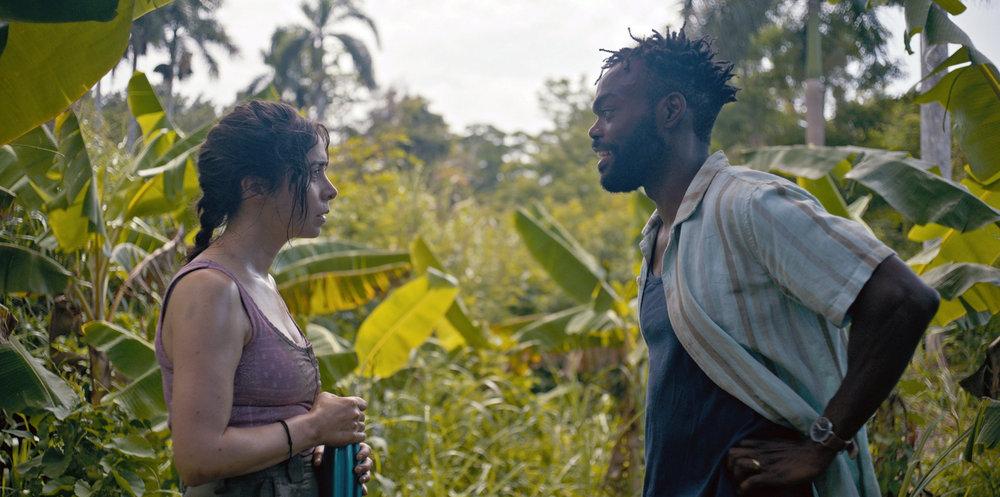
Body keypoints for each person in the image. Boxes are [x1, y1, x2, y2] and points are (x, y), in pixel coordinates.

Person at [588, 30, 939, 497]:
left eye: (608, 113)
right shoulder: (656, 238)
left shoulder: (748, 205)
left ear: (670, 111)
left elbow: (903, 299)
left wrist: (822, 444)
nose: (595, 131)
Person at [155, 100, 373, 496]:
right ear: (254, 185)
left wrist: (323, 454)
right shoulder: (211, 289)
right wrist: (314, 428)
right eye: (313, 173)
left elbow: (264, 426)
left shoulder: (261, 283)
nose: (331, 190)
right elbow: (198, 457)